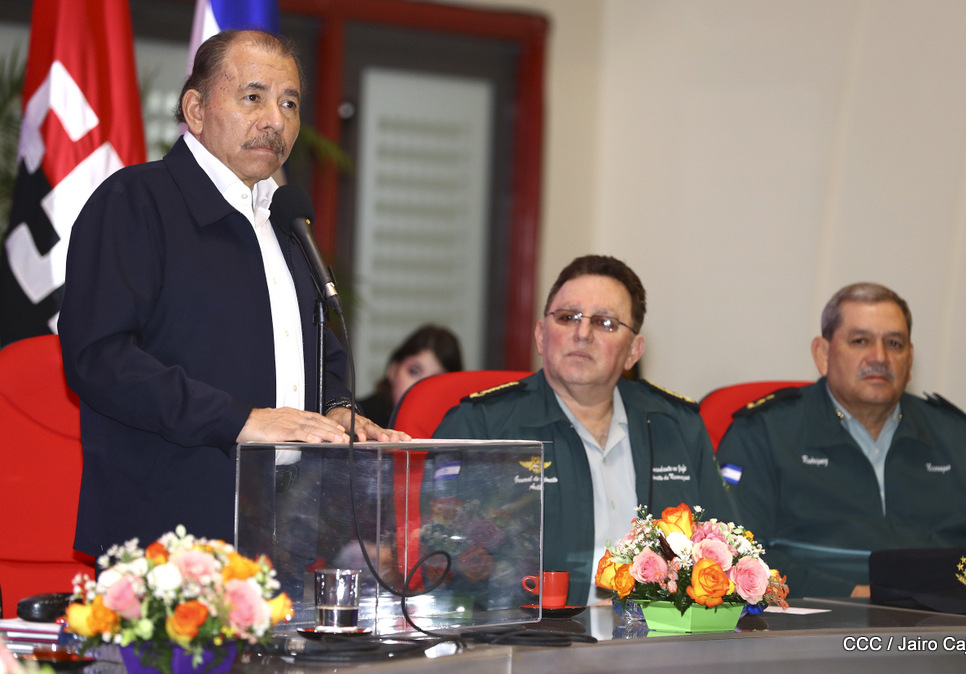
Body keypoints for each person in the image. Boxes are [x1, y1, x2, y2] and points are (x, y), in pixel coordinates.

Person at [59, 30, 406, 560]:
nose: (275, 120)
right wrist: (239, 419)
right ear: (195, 110)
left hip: (288, 526)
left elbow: (320, 352)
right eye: (253, 97)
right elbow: (99, 358)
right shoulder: (135, 201)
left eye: (289, 103)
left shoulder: (285, 219)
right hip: (168, 534)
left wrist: (337, 408)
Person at [432, 254, 735, 607]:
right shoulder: (481, 425)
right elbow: (440, 560)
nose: (582, 333)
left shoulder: (676, 425)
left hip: (661, 633)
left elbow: (726, 550)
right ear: (541, 335)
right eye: (568, 317)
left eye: (605, 323)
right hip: (530, 633)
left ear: (633, 351)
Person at [717, 282, 966, 598]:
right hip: (812, 616)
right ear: (823, 354)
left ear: (910, 359)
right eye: (860, 341)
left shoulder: (959, 437)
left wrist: (942, 599)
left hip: (946, 617)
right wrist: (858, 597)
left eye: (894, 343)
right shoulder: (763, 433)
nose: (879, 357)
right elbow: (736, 554)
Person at [358, 324, 463, 427]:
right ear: (392, 370)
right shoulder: (357, 418)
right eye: (414, 371)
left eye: (436, 379)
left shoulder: (459, 425)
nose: (422, 385)